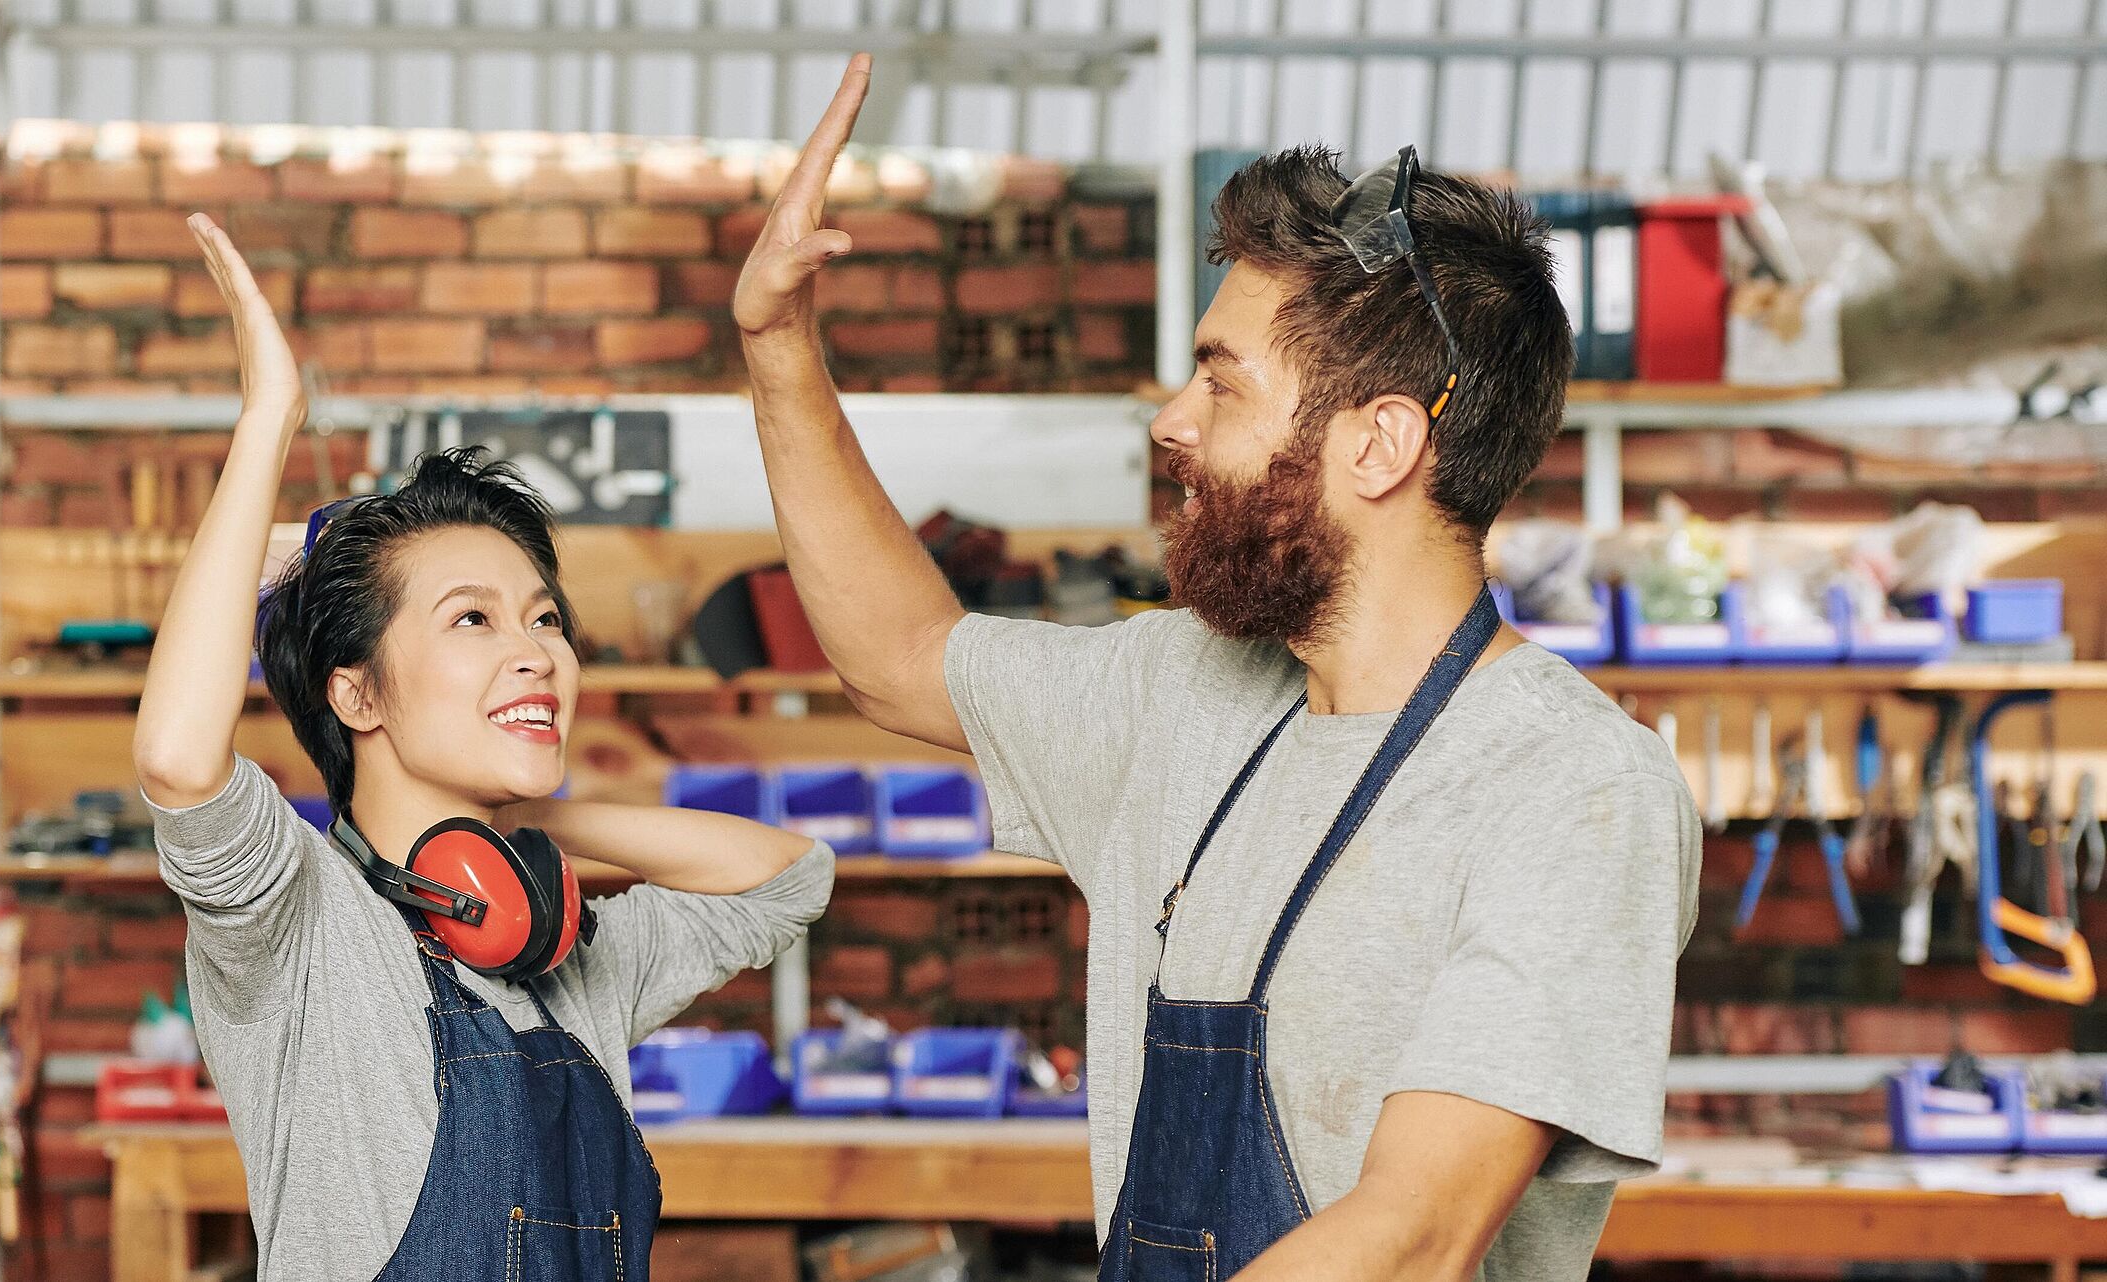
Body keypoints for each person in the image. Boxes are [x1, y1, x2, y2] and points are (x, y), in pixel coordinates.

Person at [731, 56, 1697, 1281]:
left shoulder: (1571, 789)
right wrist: (776, 349)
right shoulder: (1182, 692)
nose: (1168, 420)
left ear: (1381, 444)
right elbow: (903, 656)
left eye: (1221, 381)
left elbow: (1414, 1237)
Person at [134, 214, 835, 1281]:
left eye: (546, 619)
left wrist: (518, 829)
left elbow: (788, 879)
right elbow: (181, 761)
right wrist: (271, 414)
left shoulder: (569, 960)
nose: (537, 653)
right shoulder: (303, 927)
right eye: (474, 619)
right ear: (357, 693)